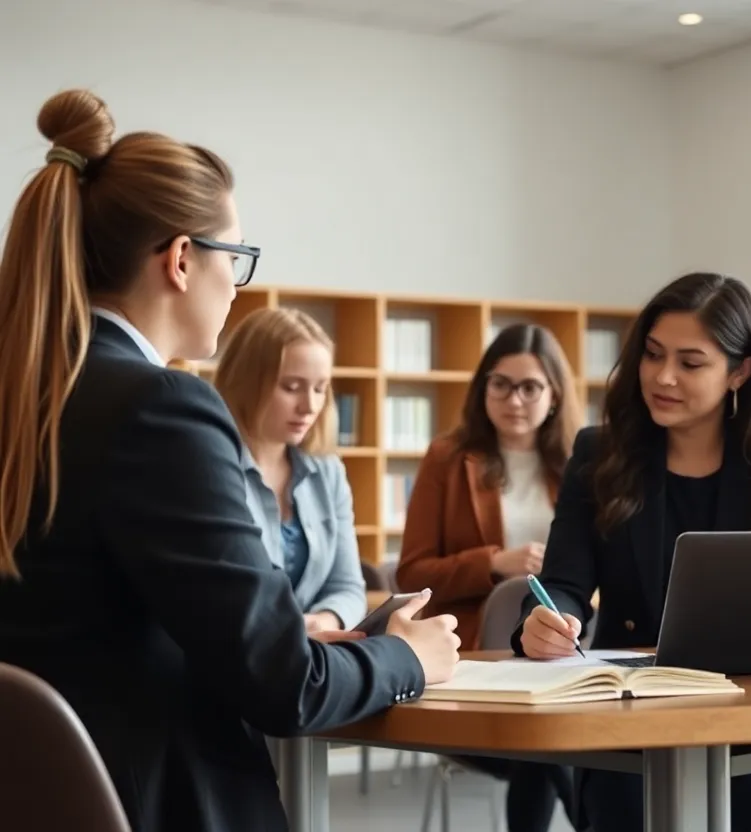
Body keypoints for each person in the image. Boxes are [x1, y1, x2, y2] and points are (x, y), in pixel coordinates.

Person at [0, 89, 460, 832]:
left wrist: (282, 636)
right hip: (154, 799)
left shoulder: (27, 395)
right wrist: (409, 657)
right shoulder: (159, 408)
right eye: (237, 258)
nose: (236, 286)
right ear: (182, 259)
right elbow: (286, 688)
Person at [512, 272, 751, 832]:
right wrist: (546, 620)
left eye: (690, 363)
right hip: (628, 711)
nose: (662, 377)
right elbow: (564, 581)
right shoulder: (598, 454)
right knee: (622, 808)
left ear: (739, 371)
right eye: (652, 354)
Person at [397, 322, 581, 832]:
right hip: (475, 660)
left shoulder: (577, 465)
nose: (514, 400)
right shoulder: (448, 459)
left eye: (530, 387)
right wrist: (494, 562)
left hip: (563, 658)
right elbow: (411, 572)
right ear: (483, 388)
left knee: (549, 734)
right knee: (543, 741)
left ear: (554, 395)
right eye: (500, 384)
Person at [214, 307, 366, 635]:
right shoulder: (213, 467)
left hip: (315, 650)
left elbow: (348, 586)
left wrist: (323, 621)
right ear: (246, 382)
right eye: (292, 386)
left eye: (320, 389)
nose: (309, 406)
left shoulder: (328, 471)